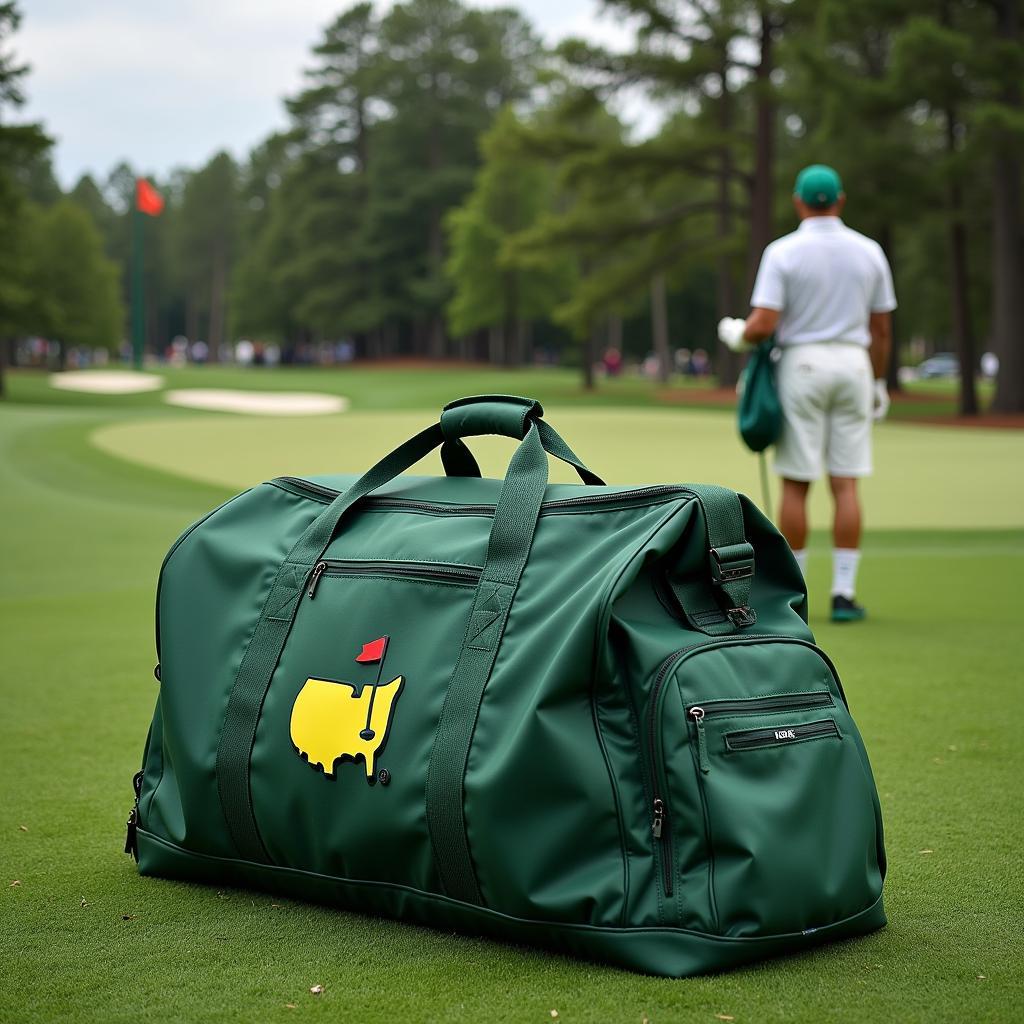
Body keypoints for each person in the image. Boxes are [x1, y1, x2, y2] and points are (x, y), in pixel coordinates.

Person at [717, 164, 896, 622]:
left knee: (797, 482)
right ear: (840, 200)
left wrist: (736, 335)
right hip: (854, 366)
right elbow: (880, 329)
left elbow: (763, 325)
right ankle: (844, 593)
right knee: (846, 482)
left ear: (799, 201)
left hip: (804, 366)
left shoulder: (783, 252)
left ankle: (794, 596)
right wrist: (877, 381)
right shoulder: (869, 251)